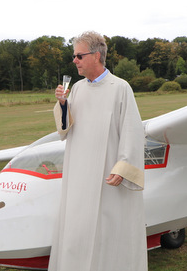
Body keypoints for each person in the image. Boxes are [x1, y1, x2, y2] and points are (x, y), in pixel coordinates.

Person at [49, 31, 148, 270]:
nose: (75, 61)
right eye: (74, 56)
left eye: (79, 56)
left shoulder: (120, 88)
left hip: (107, 176)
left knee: (108, 231)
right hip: (79, 177)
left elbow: (132, 131)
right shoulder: (79, 89)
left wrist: (124, 166)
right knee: (77, 230)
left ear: (96, 56)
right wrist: (63, 105)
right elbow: (66, 129)